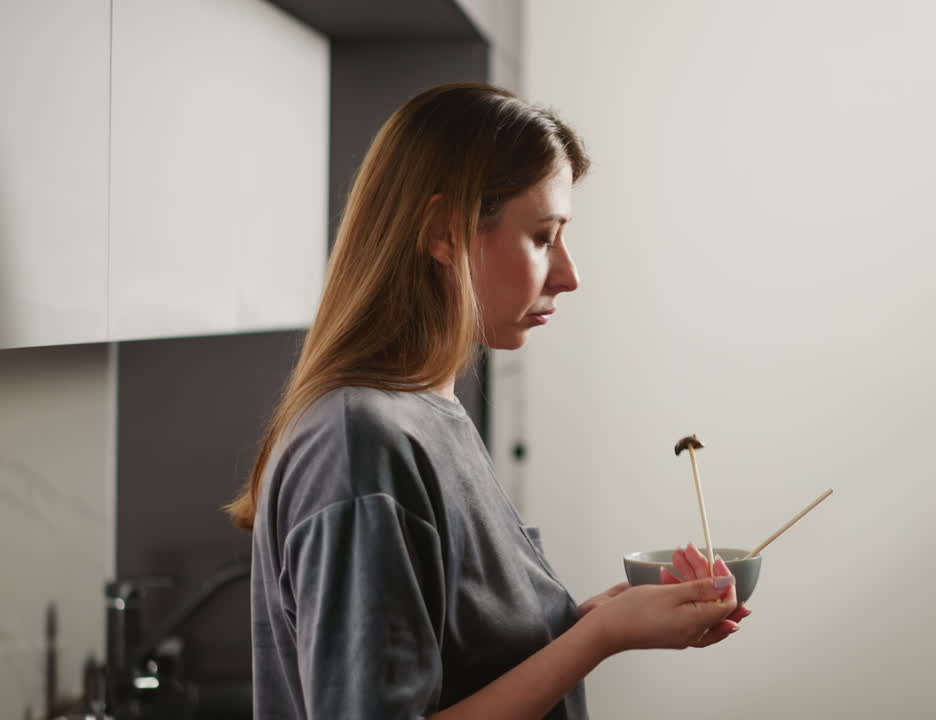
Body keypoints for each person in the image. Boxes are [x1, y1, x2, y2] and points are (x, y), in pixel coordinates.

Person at [225, 83, 750, 720]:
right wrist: (599, 638)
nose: (570, 275)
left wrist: (591, 620)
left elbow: (462, 662)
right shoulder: (360, 443)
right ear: (445, 232)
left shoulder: (424, 414)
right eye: (543, 237)